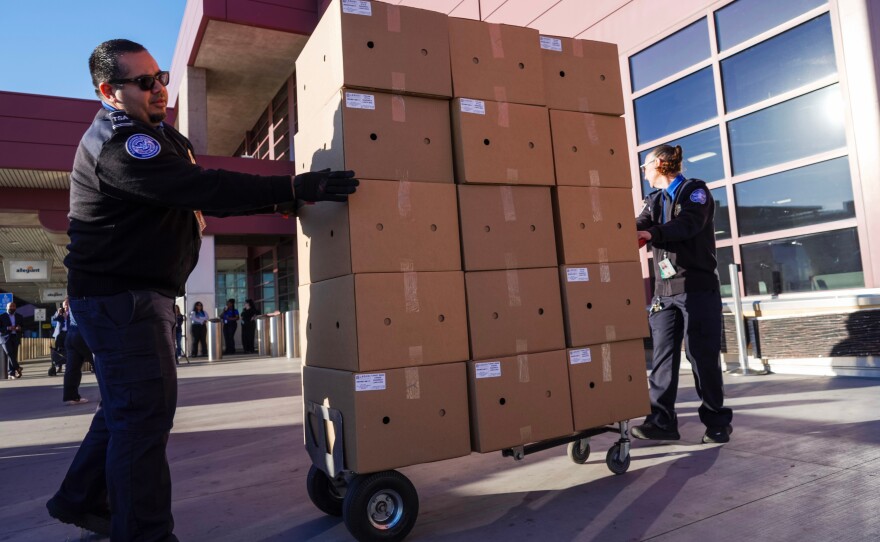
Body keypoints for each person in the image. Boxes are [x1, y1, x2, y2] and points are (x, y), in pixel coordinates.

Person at [46, 39, 358, 541]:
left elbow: (195, 184)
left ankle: (80, 498)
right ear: (108, 91)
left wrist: (279, 198)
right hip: (121, 301)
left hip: (132, 298)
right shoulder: (120, 144)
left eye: (162, 77)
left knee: (127, 411)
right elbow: (203, 187)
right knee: (143, 420)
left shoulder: (159, 135)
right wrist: (291, 187)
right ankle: (144, 533)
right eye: (144, 83)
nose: (159, 90)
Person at [633, 144, 733, 445]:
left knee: (701, 356)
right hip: (665, 292)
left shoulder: (695, 191)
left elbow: (689, 224)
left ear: (660, 164)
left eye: (645, 166)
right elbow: (641, 223)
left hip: (697, 288)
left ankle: (717, 422)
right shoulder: (654, 200)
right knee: (662, 358)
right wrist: (619, 230)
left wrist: (652, 234)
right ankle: (661, 421)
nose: (644, 172)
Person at [62, 307, 92, 406]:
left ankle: (71, 397)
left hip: (71, 334)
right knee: (99, 364)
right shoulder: (86, 296)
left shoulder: (73, 299)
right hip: (84, 334)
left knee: (72, 368)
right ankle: (109, 395)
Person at [0, 301, 23, 379]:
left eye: (13, 306)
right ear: (6, 307)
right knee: (9, 353)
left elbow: (23, 327)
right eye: (10, 306)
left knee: (14, 355)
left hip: (15, 336)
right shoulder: (2, 316)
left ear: (15, 308)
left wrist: (19, 328)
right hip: (5, 337)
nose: (12, 308)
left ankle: (11, 373)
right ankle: (17, 368)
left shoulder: (19, 316)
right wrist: (8, 328)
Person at [50, 299, 71, 376]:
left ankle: (68, 365)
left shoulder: (71, 312)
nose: (66, 305)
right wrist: (59, 314)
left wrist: (67, 317)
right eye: (65, 304)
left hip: (68, 333)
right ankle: (58, 366)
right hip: (59, 333)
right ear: (62, 305)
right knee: (58, 350)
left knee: (68, 349)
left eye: (67, 304)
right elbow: (54, 319)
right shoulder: (60, 311)